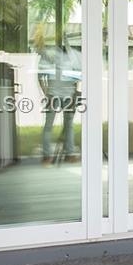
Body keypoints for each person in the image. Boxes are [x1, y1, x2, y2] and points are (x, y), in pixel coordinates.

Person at [36, 32, 81, 165]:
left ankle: (67, 154)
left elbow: (77, 75)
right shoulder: (53, 54)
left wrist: (47, 91)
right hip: (56, 94)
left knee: (66, 126)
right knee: (53, 126)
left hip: (65, 95)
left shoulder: (70, 55)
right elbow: (41, 75)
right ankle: (51, 155)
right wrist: (46, 92)